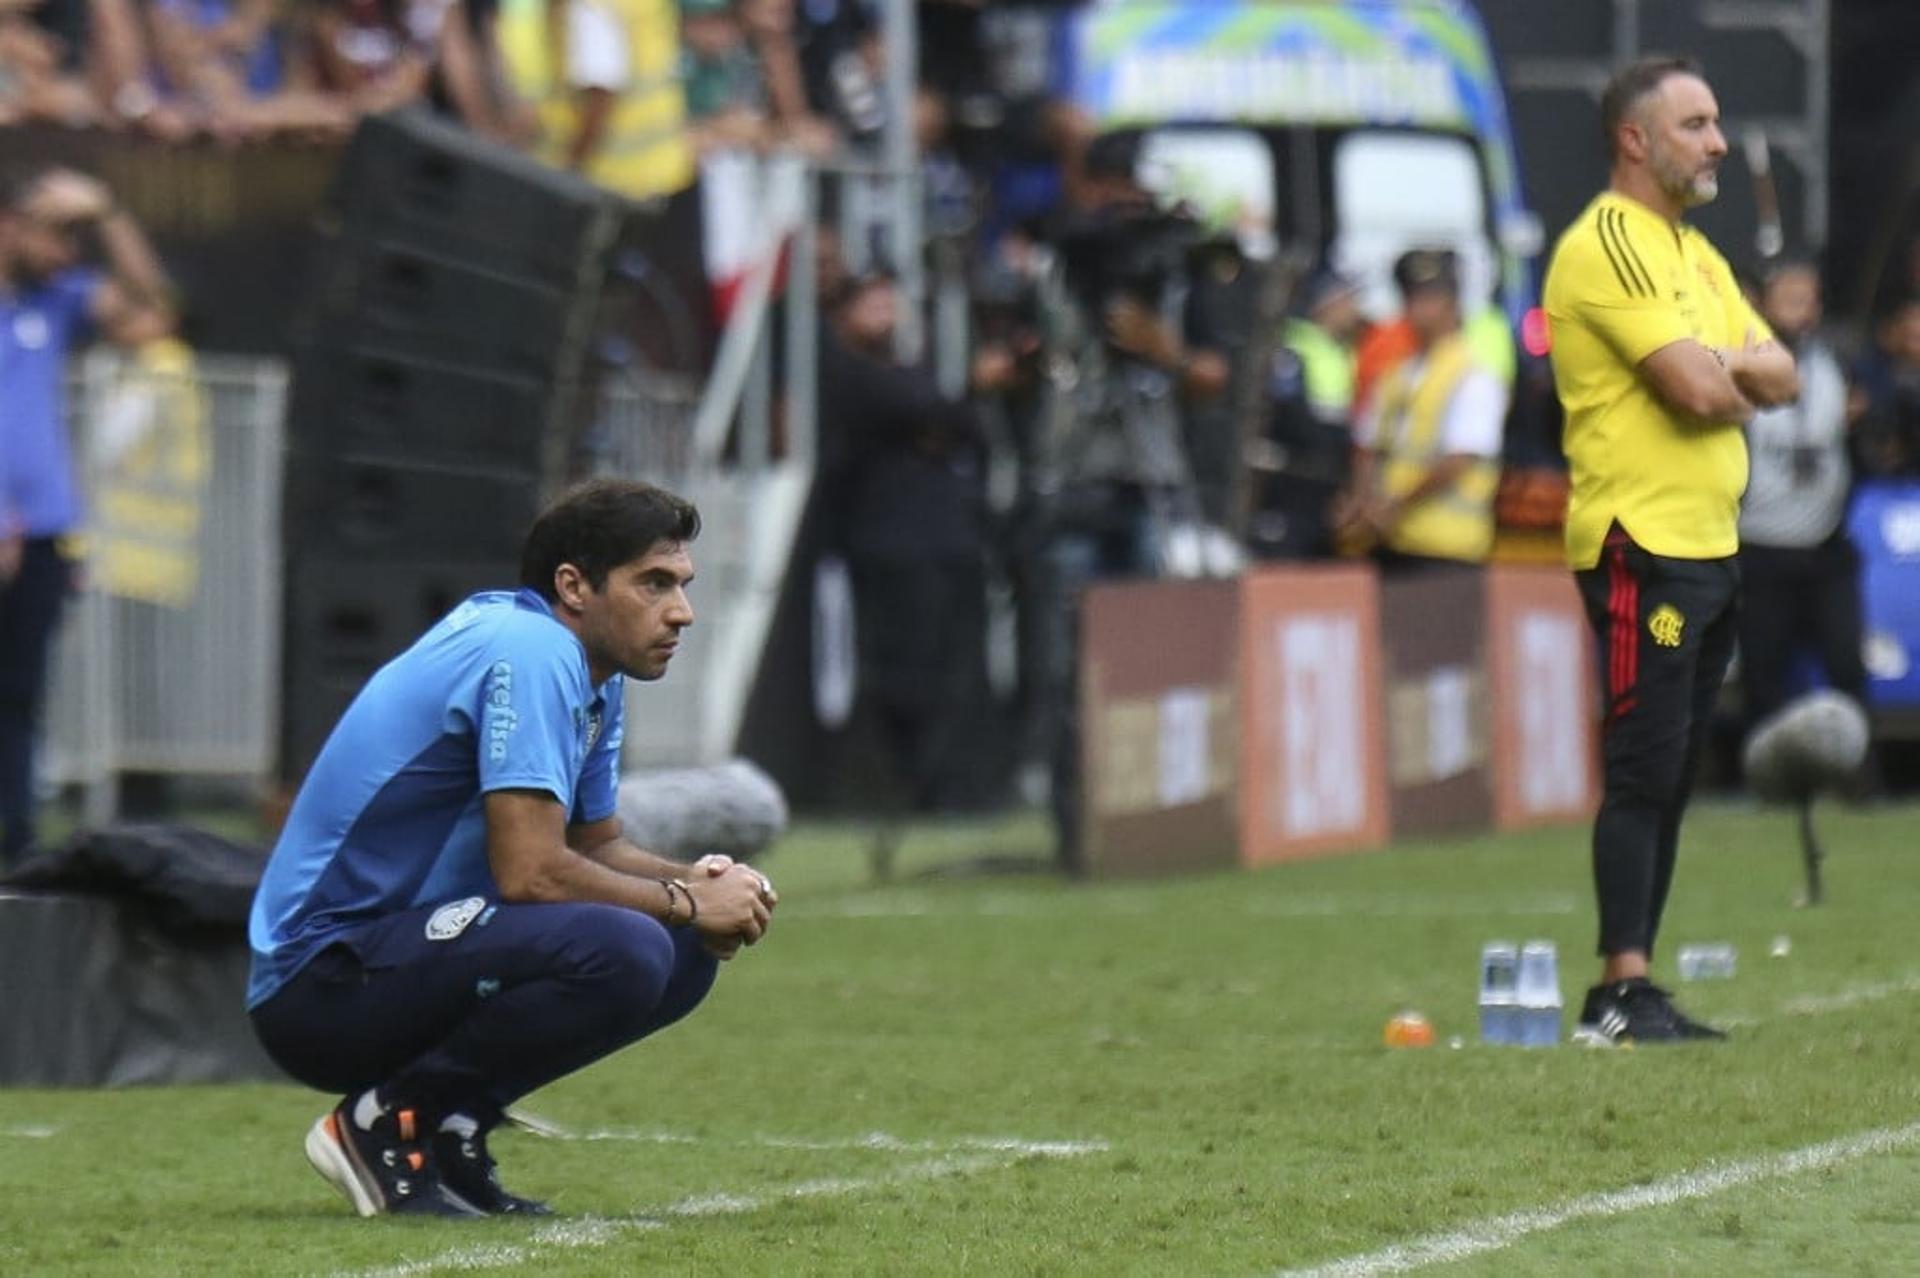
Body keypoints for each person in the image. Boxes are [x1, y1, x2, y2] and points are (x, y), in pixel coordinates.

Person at [247, 479, 778, 1217]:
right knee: (631, 945)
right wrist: (688, 900)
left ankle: (451, 1125)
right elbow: (532, 874)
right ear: (574, 585)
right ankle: (383, 1122)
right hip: (322, 983)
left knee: (681, 946)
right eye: (653, 584)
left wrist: (696, 883)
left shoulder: (592, 668)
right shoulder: (532, 650)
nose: (681, 611)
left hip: (404, 958)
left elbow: (597, 845)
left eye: (682, 585)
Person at [1543, 56, 1799, 1044]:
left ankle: (1636, 984)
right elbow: (1700, 393)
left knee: (1681, 764)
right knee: (1645, 761)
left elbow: (1782, 375)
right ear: (1634, 139)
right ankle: (1618, 989)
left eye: (1716, 121)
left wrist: (1724, 363)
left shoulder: (1692, 253)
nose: (1719, 142)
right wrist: (1731, 370)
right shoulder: (1605, 245)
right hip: (1639, 546)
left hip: (1711, 543)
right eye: (1695, 123)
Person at [0, 167, 172, 867]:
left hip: (42, 534)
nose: (68, 253)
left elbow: (151, 307)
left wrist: (109, 211)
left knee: (21, 692)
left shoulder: (58, 301)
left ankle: (13, 841)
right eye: (56, 233)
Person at [1736, 259, 1871, 732]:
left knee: (1846, 664)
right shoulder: (1739, 359)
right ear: (1765, 302)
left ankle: (1857, 773)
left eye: (1811, 300)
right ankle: (1762, 777)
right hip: (1759, 547)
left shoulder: (1835, 358)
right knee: (1763, 672)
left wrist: (1865, 419)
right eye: (1792, 300)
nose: (1804, 312)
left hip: (1824, 545)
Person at [1334, 249, 1506, 572]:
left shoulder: (1472, 377)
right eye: (1410, 298)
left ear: (1452, 304)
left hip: (1449, 547)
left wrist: (1392, 505)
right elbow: (1369, 447)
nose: (1415, 309)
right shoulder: (1395, 376)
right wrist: (1363, 502)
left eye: (1429, 298)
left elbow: (1461, 458)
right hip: (1391, 542)